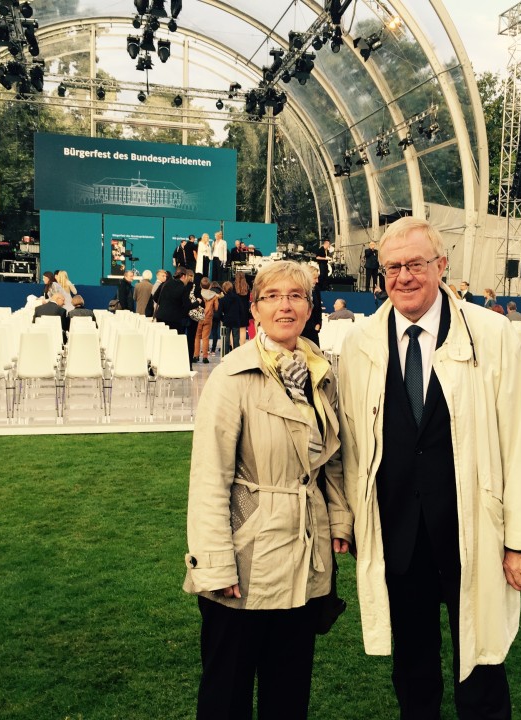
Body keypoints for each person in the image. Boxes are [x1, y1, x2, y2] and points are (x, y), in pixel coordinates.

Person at [337, 217, 521, 720]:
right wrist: (347, 523)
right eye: (393, 267)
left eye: (415, 264)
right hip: (398, 534)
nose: (404, 277)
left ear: (442, 265)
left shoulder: (492, 334)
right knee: (412, 669)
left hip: (471, 528)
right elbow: (351, 445)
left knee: (481, 661)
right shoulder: (360, 342)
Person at [184, 260, 352, 720]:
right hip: (245, 560)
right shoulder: (232, 377)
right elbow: (208, 477)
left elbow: (330, 459)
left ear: (310, 307)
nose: (285, 305)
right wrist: (215, 564)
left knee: (288, 695)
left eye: (295, 296)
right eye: (273, 296)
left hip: (304, 555)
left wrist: (338, 521)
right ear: (255, 309)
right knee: (227, 697)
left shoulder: (319, 372)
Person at [154, 267, 193, 332]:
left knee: (162, 338)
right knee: (173, 340)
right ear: (183, 276)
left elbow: (155, 297)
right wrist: (197, 302)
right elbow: (187, 305)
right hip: (174, 319)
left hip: (160, 316)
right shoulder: (183, 288)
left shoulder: (165, 284)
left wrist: (164, 304)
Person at [218, 272, 250, 351]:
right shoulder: (247, 287)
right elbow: (246, 301)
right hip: (242, 312)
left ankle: (230, 350)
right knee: (240, 333)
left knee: (229, 336)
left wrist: (223, 318)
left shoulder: (233, 288)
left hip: (231, 314)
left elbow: (219, 311)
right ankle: (239, 349)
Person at [301, 265, 324, 346]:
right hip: (301, 331)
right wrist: (311, 326)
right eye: (315, 278)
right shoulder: (299, 290)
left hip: (314, 331)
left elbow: (318, 310)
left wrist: (318, 324)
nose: (317, 281)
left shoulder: (316, 290)